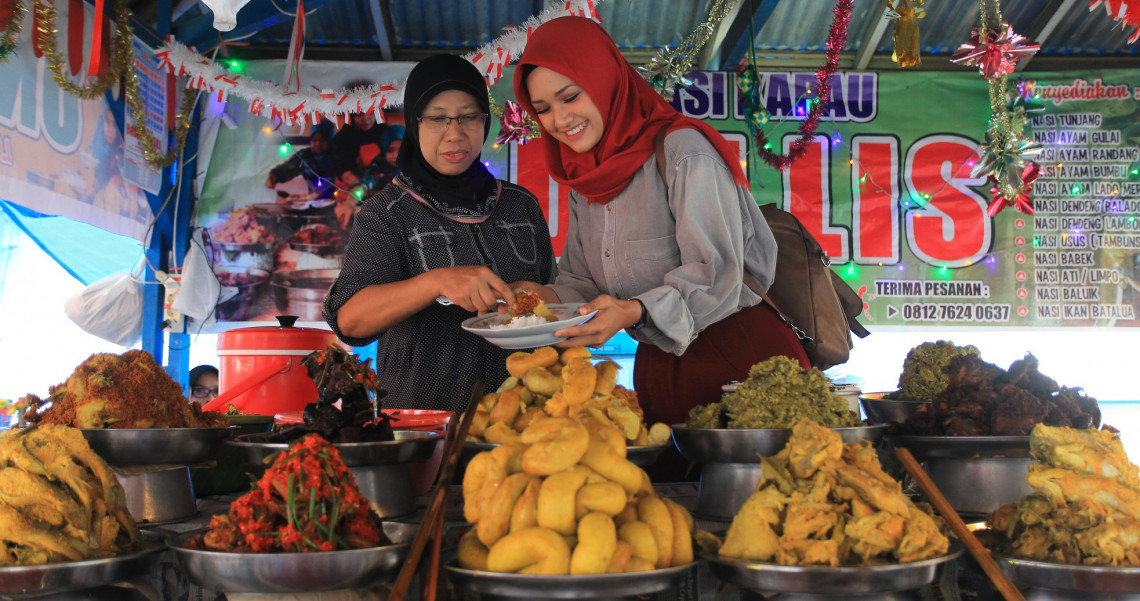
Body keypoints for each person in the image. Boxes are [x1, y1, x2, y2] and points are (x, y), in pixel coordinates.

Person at [511, 16, 810, 426]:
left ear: (603, 80)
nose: (560, 120)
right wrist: (535, 300)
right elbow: (583, 284)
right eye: (542, 109)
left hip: (744, 360)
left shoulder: (682, 150)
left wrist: (633, 311)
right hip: (658, 362)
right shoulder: (584, 180)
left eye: (570, 97)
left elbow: (717, 272)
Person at [322, 54, 557, 414]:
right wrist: (436, 283)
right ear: (415, 125)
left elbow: (557, 300)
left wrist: (545, 296)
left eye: (468, 116)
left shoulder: (520, 205)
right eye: (437, 119)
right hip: (427, 423)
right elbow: (350, 319)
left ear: (485, 121)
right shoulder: (386, 213)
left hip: (525, 422)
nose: (455, 134)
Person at [265, 120, 340, 198]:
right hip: (313, 202)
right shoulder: (305, 156)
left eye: (321, 140)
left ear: (329, 140)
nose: (317, 144)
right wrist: (273, 177)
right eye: (314, 140)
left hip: (339, 202)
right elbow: (287, 168)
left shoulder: (338, 156)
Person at [331, 83, 388, 174]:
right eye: (360, 114)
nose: (365, 118)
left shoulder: (386, 134)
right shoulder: (343, 138)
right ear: (352, 116)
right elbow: (339, 165)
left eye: (370, 112)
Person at [363, 123, 404, 193]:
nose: (396, 155)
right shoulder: (378, 165)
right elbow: (367, 182)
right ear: (384, 150)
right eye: (390, 150)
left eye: (401, 150)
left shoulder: (414, 166)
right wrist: (361, 189)